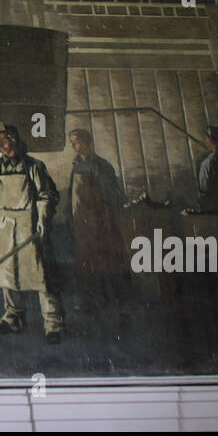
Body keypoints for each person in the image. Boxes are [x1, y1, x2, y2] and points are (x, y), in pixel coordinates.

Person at [0, 123, 66, 343]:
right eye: (1, 143)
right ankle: (13, 318)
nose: (6, 146)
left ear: (16, 139)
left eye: (8, 140)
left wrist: (43, 220)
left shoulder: (34, 166)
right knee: (9, 276)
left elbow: (47, 195)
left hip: (30, 225)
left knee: (41, 276)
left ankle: (53, 324)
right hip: (6, 226)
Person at [66, 128, 130, 312]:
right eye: (72, 142)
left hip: (100, 223)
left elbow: (111, 194)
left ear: (87, 142)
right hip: (82, 224)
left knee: (107, 261)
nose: (74, 146)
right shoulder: (77, 164)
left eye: (77, 141)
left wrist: (102, 217)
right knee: (86, 262)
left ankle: (114, 301)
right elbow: (72, 194)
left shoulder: (101, 165)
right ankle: (91, 300)